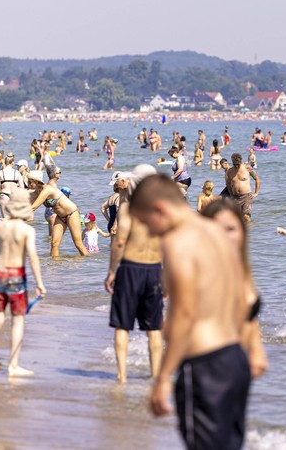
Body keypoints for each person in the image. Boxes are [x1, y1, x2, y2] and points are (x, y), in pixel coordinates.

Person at [129, 175, 251, 449]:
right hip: (234, 358)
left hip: (204, 366)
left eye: (148, 224)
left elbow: (184, 313)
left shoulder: (178, 242)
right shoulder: (217, 233)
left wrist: (162, 379)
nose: (150, 234)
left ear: (160, 209)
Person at [0, 189, 46, 377]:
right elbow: (33, 257)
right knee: (17, 321)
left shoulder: (0, 226)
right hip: (16, 277)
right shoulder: (27, 230)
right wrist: (39, 283)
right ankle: (13, 366)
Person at [105, 165, 164, 384]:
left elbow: (119, 241)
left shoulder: (128, 208)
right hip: (154, 269)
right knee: (154, 328)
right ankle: (156, 375)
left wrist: (111, 271)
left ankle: (121, 376)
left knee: (123, 326)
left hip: (130, 268)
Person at [199, 199, 268, 380]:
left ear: (242, 231)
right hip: (203, 368)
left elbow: (248, 316)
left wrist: (256, 350)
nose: (224, 235)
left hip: (239, 367)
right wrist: (164, 376)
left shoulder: (240, 270)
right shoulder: (199, 272)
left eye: (230, 229)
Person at [27, 171, 89, 257]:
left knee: (78, 244)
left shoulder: (47, 190)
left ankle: (89, 262)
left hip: (71, 214)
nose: (28, 184)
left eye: (30, 182)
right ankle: (55, 266)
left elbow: (33, 207)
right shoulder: (37, 192)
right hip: (60, 216)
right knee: (54, 243)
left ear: (37, 182)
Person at [226, 153, 260, 222]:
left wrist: (256, 193)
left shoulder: (247, 168)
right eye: (234, 164)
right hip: (235, 197)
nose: (236, 166)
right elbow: (228, 183)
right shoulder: (229, 171)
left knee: (246, 217)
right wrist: (231, 195)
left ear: (240, 161)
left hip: (246, 196)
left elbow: (257, 179)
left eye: (237, 164)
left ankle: (250, 230)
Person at [0, 152, 23, 218]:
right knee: (15, 219)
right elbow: (22, 187)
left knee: (5, 219)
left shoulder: (0, 173)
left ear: (5, 162)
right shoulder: (17, 172)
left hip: (4, 195)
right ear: (12, 162)